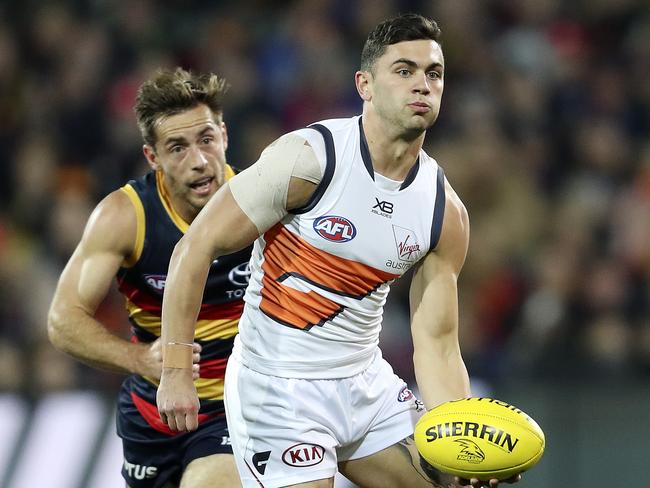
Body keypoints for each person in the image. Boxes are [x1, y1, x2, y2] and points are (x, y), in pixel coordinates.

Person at [157, 14, 521, 488]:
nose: (422, 85)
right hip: (278, 387)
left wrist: (463, 445)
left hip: (365, 382)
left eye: (433, 73)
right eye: (404, 70)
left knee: (450, 483)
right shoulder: (310, 160)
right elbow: (195, 247)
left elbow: (437, 343)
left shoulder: (442, 211)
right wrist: (176, 368)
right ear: (364, 85)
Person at [48, 67, 250, 488]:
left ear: (225, 136)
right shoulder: (125, 217)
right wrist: (138, 359)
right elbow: (62, 320)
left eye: (206, 140)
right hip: (153, 415)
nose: (198, 161)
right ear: (152, 157)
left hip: (237, 411)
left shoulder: (261, 204)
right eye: (177, 148)